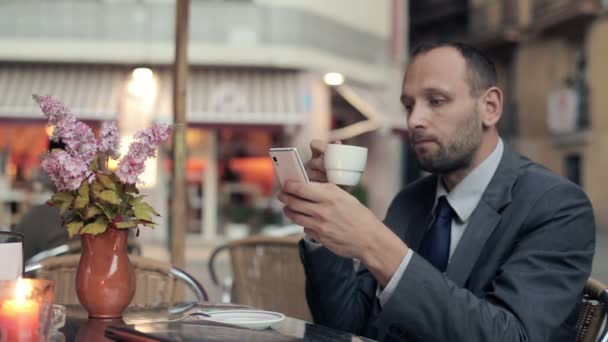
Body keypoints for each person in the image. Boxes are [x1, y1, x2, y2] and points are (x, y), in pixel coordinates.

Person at [278, 42, 595, 341]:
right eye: (408, 105)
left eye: (436, 101)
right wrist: (322, 227)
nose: (414, 120)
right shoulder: (410, 201)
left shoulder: (556, 206)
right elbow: (345, 326)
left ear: (491, 107)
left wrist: (376, 244)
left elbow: (513, 337)